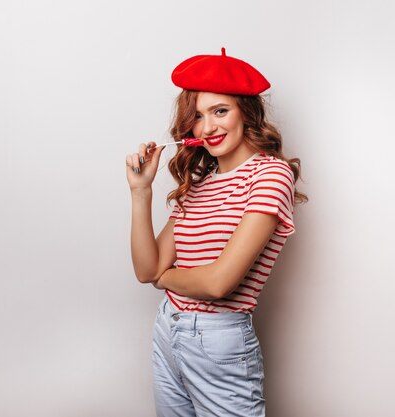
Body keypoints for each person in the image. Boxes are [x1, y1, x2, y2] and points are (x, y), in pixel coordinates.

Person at [125, 48, 307, 417]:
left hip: (218, 341)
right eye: (197, 116)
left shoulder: (270, 175)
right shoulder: (201, 183)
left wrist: (166, 278)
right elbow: (147, 270)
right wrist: (140, 192)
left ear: (246, 113)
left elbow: (219, 284)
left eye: (220, 111)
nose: (208, 127)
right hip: (168, 330)